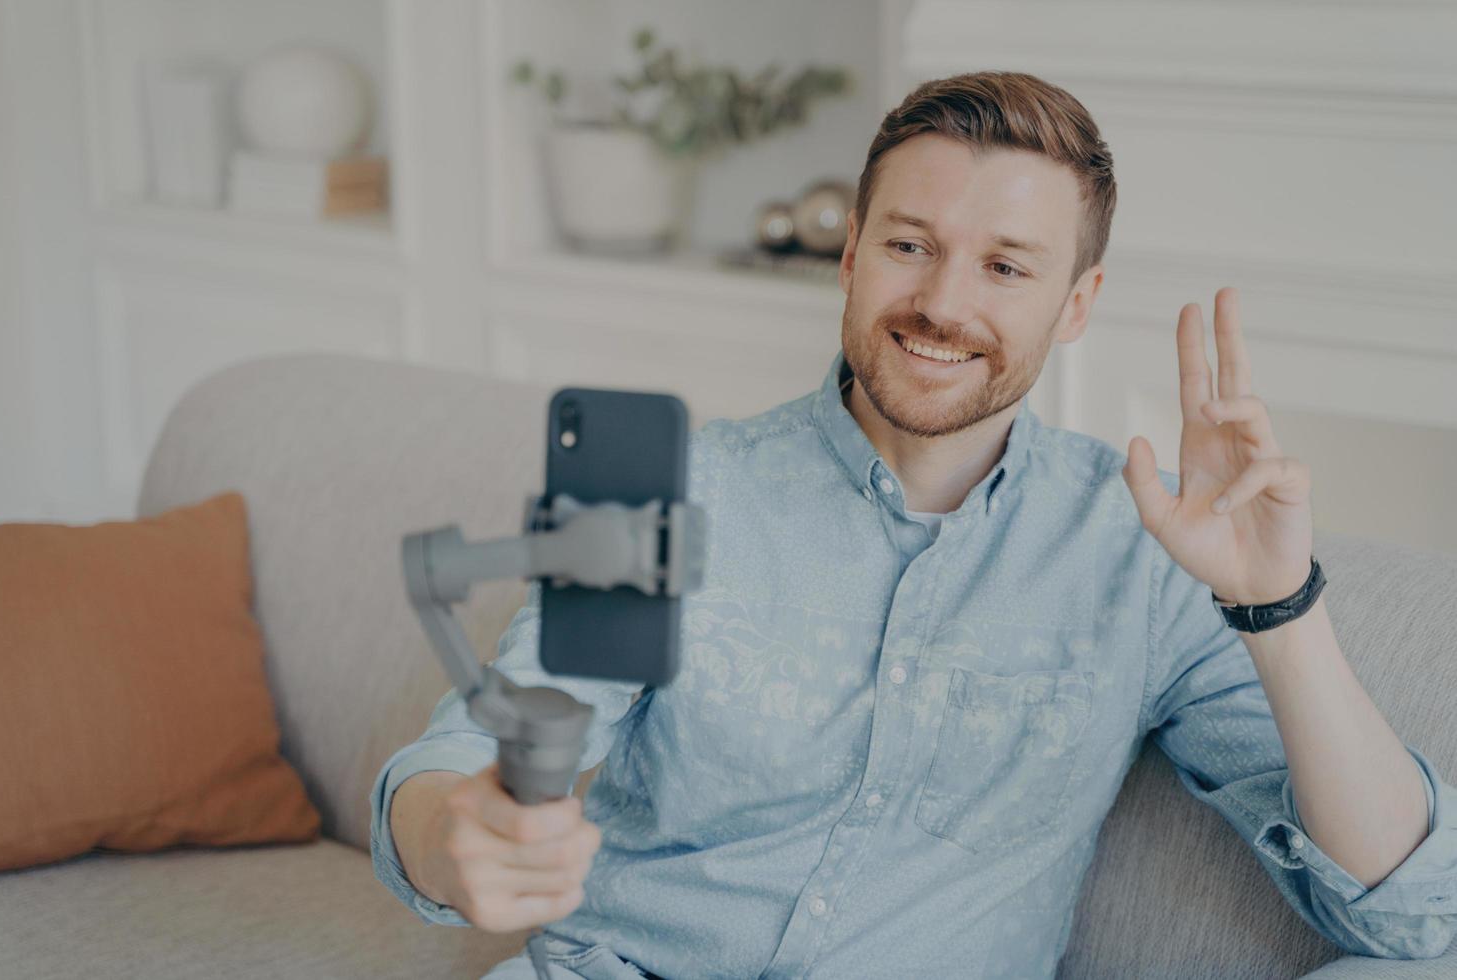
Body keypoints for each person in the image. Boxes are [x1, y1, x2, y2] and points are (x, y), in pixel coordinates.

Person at [370, 71, 1457, 979]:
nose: (943, 301)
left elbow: (1410, 918)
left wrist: (1280, 607)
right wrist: (450, 837)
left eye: (1006, 266)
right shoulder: (672, 487)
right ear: (849, 252)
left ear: (1075, 303)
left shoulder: (1148, 549)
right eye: (909, 244)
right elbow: (460, 761)